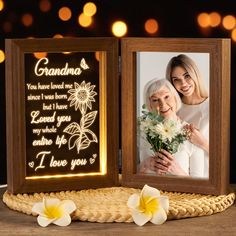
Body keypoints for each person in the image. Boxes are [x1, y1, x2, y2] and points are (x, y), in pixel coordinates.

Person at [138, 78, 205, 178]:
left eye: (166, 97)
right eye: (155, 100)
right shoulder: (141, 130)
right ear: (150, 105)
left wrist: (178, 171)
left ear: (175, 97)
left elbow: (200, 184)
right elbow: (127, 173)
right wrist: (144, 166)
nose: (163, 104)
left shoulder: (191, 134)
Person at [166, 54, 209, 177]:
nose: (183, 84)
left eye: (187, 76)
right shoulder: (173, 110)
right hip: (179, 179)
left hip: (209, 178)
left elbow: (227, 156)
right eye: (176, 80)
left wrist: (203, 143)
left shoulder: (215, 105)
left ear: (195, 74)